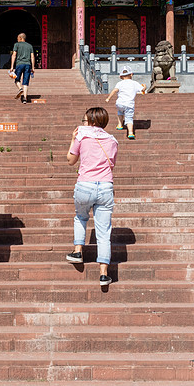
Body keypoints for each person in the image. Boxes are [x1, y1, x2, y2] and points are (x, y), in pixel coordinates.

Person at [66, 106, 119, 287]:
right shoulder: (113, 140)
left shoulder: (82, 136)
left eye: (85, 120)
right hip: (105, 186)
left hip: (85, 184)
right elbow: (112, 164)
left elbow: (71, 160)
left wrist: (73, 139)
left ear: (92, 121)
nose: (83, 123)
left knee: (80, 217)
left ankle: (78, 251)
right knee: (104, 233)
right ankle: (104, 273)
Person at [104, 67, 145, 140]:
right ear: (131, 74)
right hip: (129, 104)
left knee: (120, 112)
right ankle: (130, 133)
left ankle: (120, 124)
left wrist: (108, 98)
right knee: (129, 118)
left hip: (119, 103)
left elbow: (115, 90)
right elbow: (142, 90)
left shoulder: (119, 83)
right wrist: (144, 86)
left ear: (121, 76)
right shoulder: (134, 83)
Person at [9, 33, 34, 104]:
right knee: (25, 83)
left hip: (19, 64)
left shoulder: (16, 45)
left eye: (17, 38)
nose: (17, 39)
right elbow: (32, 57)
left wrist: (11, 67)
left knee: (17, 79)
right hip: (28, 65)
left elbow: (14, 55)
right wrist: (32, 67)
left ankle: (20, 89)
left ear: (20, 38)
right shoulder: (30, 46)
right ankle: (25, 99)